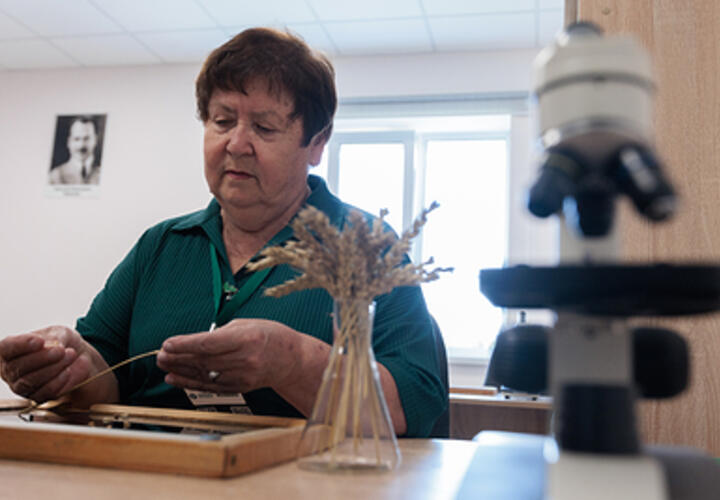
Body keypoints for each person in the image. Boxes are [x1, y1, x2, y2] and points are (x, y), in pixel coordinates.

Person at [0, 28, 447, 437]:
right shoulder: (162, 245)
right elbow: (104, 379)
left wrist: (292, 361)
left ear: (317, 143)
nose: (236, 144)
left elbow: (415, 406)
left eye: (264, 127)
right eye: (222, 121)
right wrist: (69, 368)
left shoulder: (366, 246)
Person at [48, 116, 102, 185]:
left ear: (95, 140)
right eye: (76, 139)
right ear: (68, 142)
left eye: (87, 138)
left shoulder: (105, 172)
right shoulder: (54, 177)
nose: (81, 145)